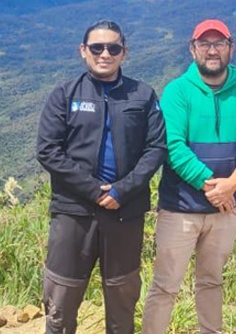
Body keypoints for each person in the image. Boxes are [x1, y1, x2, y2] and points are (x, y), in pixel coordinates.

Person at [36, 20, 167, 334]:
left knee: (122, 301)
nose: (105, 53)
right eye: (97, 47)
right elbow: (48, 150)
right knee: (61, 300)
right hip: (73, 212)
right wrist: (94, 190)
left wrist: (122, 190)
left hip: (125, 212)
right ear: (83, 51)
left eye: (113, 47)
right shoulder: (65, 95)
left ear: (124, 53)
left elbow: (156, 148)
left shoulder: (143, 95)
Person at [142, 19, 236, 334]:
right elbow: (173, 146)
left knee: (211, 282)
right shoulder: (177, 91)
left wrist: (232, 185)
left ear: (231, 47)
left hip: (226, 210)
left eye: (219, 43)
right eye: (205, 44)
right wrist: (215, 186)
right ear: (192, 48)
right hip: (180, 209)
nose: (212, 50)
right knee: (166, 285)